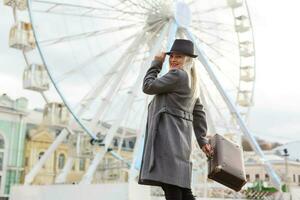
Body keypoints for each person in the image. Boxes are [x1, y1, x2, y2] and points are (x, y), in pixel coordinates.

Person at [138, 39, 214, 200]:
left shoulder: (177, 75)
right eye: (171, 56)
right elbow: (198, 111)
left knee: (172, 191)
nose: (172, 60)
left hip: (167, 141)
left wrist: (156, 64)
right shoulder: (192, 81)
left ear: (187, 60)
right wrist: (202, 140)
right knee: (182, 191)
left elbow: (148, 87)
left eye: (178, 57)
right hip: (182, 144)